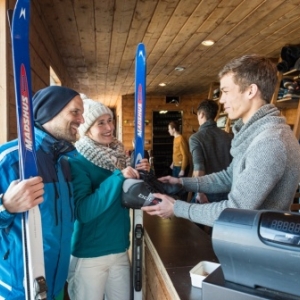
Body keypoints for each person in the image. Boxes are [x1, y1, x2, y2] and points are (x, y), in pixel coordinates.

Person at [142, 54, 300, 227]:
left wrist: (177, 207)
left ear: (250, 91)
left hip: (256, 249)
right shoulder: (257, 134)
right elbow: (228, 177)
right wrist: (182, 182)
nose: (222, 100)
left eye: (225, 91)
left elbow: (236, 209)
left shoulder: (270, 141)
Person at [0, 86, 84, 299]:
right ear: (50, 112)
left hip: (55, 285)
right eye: (75, 112)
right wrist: (6, 206)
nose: (81, 120)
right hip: (20, 290)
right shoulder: (10, 159)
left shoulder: (63, 163)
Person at [67, 98, 150, 300]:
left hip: (120, 249)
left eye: (110, 120)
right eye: (100, 123)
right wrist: (119, 176)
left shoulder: (118, 157)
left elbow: (127, 198)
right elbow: (83, 211)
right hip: (90, 254)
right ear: (87, 129)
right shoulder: (77, 161)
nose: (109, 127)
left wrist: (140, 174)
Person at [189, 99, 232, 203]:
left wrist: (200, 193)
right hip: (228, 190)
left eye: (198, 115)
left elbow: (199, 169)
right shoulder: (229, 136)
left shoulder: (196, 138)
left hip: (207, 192)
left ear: (202, 114)